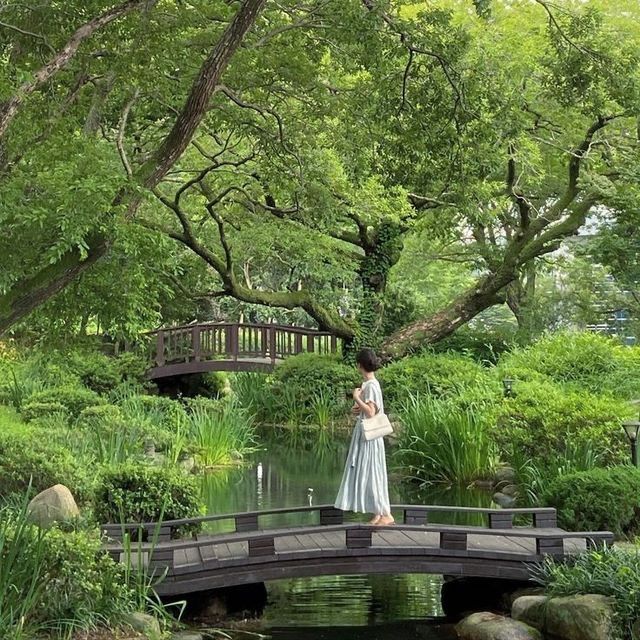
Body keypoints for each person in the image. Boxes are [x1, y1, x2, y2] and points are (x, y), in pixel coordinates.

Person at [334, 348, 394, 525]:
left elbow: (371, 412)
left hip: (370, 438)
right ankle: (378, 512)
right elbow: (366, 410)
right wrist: (357, 407)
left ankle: (385, 514)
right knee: (370, 473)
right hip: (365, 437)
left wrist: (356, 398)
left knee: (372, 472)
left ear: (359, 364)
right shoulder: (368, 385)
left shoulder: (372, 385)